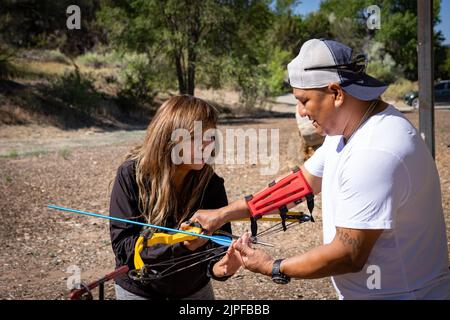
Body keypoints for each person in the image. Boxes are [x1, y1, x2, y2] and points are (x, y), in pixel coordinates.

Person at [192, 39, 450, 299]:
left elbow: (348, 254)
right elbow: (300, 183)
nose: (301, 112)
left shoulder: (374, 151)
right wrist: (221, 215)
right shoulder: (349, 128)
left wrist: (273, 266)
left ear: (336, 93)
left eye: (304, 100)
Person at [109, 95, 240, 300]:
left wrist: (220, 268)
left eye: (211, 137)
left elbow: (219, 244)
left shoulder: (211, 183)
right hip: (139, 289)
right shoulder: (131, 174)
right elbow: (123, 247)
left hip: (194, 290)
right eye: (197, 137)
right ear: (170, 137)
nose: (206, 145)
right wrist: (180, 245)